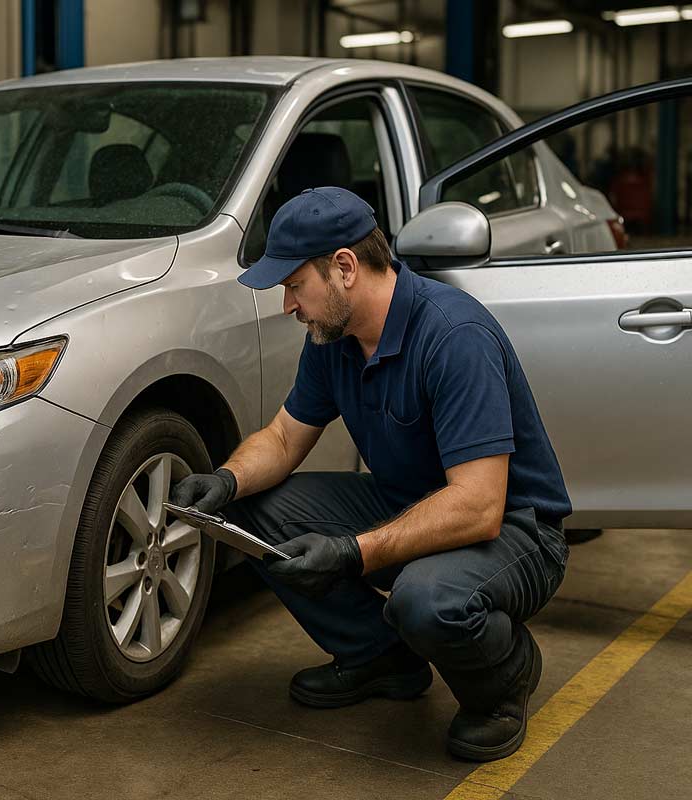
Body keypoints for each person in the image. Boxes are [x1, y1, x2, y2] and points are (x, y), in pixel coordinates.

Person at [172, 187, 570, 762]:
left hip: (517, 532)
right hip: (406, 502)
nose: (288, 305)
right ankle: (382, 657)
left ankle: (504, 680)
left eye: (293, 285)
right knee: (252, 508)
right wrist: (227, 480)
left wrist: (351, 552)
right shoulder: (335, 339)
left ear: (344, 267)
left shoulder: (453, 337)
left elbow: (480, 506)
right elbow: (284, 437)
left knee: (425, 601)